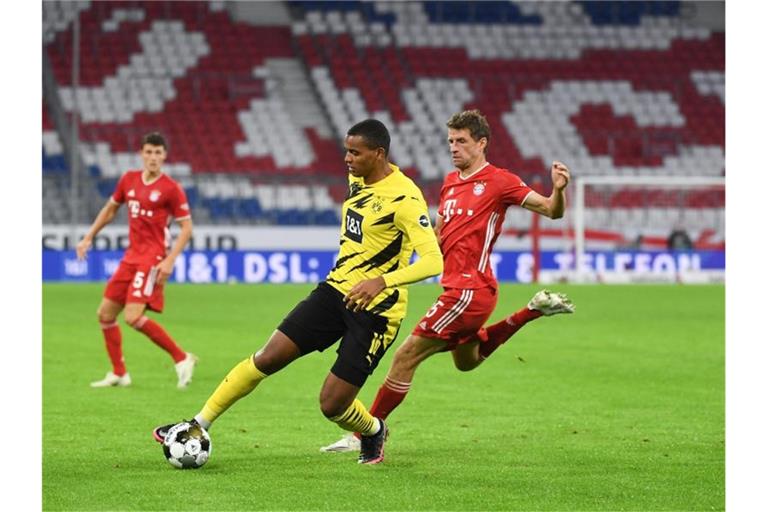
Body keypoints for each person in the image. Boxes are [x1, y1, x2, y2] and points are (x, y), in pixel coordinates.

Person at [152, 119, 443, 465]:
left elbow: (432, 261)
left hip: (377, 313)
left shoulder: (405, 198)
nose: (347, 159)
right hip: (335, 292)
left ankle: (373, 430)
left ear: (379, 154)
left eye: (355, 152)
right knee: (267, 356)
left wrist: (381, 280)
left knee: (332, 404)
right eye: (346, 151)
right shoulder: (357, 179)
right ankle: (198, 424)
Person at [320, 109, 575, 454]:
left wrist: (558, 190)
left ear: (481, 143)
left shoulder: (501, 181)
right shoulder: (450, 182)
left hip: (470, 290)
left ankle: (366, 434)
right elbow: (439, 236)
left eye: (462, 141)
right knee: (466, 361)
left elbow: (551, 210)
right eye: (451, 141)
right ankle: (531, 310)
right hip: (462, 289)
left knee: (406, 356)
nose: (454, 147)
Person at [76, 132, 198, 389]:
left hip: (151, 259)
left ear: (164, 156)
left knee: (132, 316)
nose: (153, 157)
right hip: (131, 257)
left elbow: (187, 228)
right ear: (142, 154)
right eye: (149, 152)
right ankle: (119, 373)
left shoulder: (171, 189)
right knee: (105, 314)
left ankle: (181, 357)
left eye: (158, 153)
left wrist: (169, 261)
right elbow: (110, 210)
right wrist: (88, 237)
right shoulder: (128, 180)